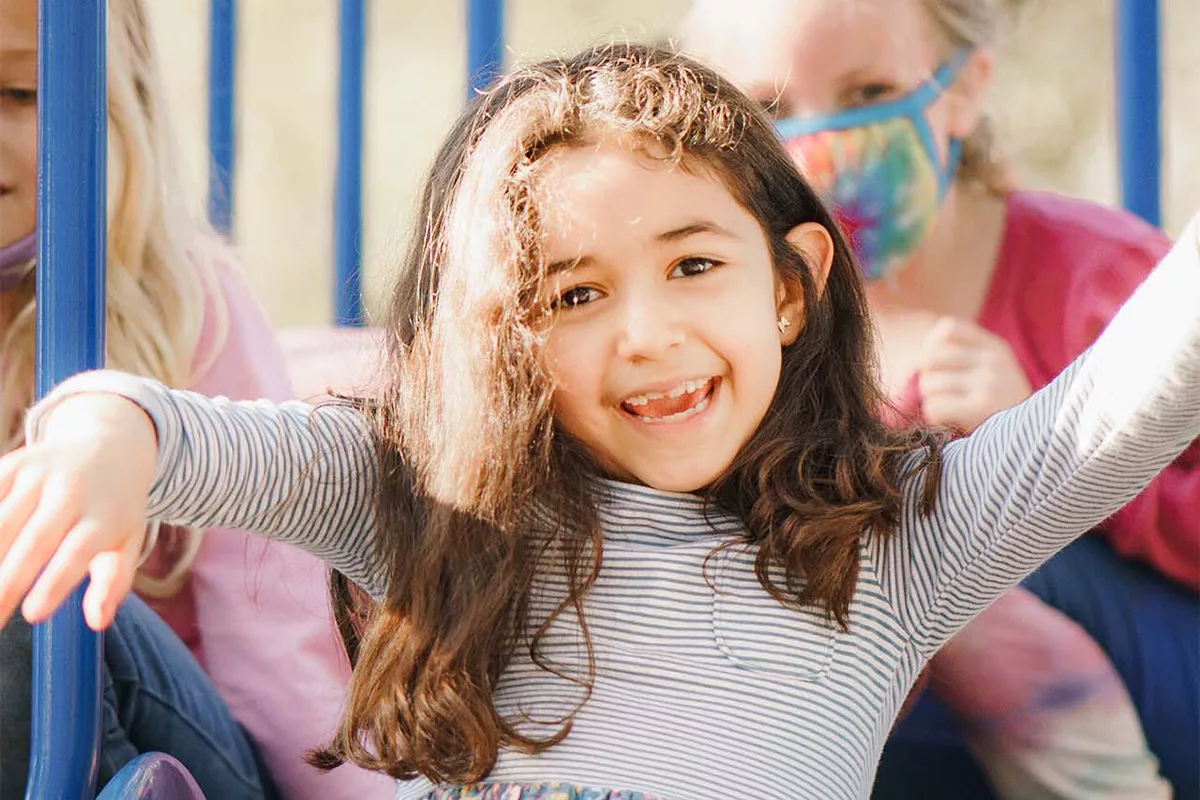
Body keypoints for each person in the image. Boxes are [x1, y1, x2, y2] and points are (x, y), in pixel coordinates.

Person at [0, 43, 1197, 800]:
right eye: (573, 295)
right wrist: (106, 433)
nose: (645, 332)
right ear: (507, 338)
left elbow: (1123, 402)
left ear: (789, 288)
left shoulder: (895, 540)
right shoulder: (439, 499)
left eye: (691, 266)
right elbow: (210, 439)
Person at [677, 1, 1199, 797]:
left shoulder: (1102, 280)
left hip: (1161, 693)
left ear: (963, 89)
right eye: (771, 109)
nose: (820, 147)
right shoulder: (733, 323)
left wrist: (1061, 453)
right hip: (919, 743)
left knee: (936, 530)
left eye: (868, 91)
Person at [0, 1, 393, 797]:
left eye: (19, 92)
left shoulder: (183, 301)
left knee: (28, 564)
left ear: (114, 106)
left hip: (199, 755)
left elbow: (271, 625)